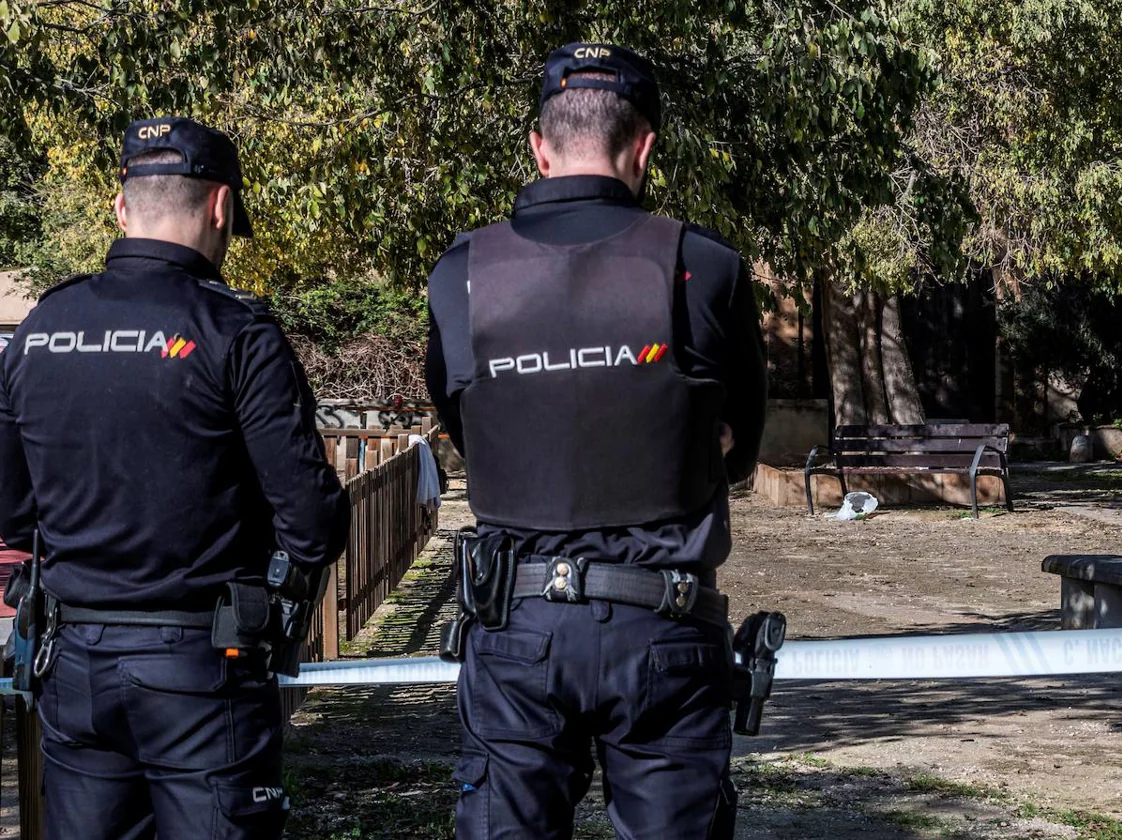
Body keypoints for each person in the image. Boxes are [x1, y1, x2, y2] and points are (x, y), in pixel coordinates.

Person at [425, 43, 768, 840]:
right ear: (644, 147)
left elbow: (468, 429)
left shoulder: (462, 274)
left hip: (515, 629)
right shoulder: (704, 266)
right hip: (665, 630)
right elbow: (742, 449)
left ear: (539, 148)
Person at [0, 117, 349, 839]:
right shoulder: (235, 331)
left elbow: (8, 509)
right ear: (220, 207)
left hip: (75, 669)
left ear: (121, 205)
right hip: (200, 670)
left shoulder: (41, 329)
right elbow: (313, 518)